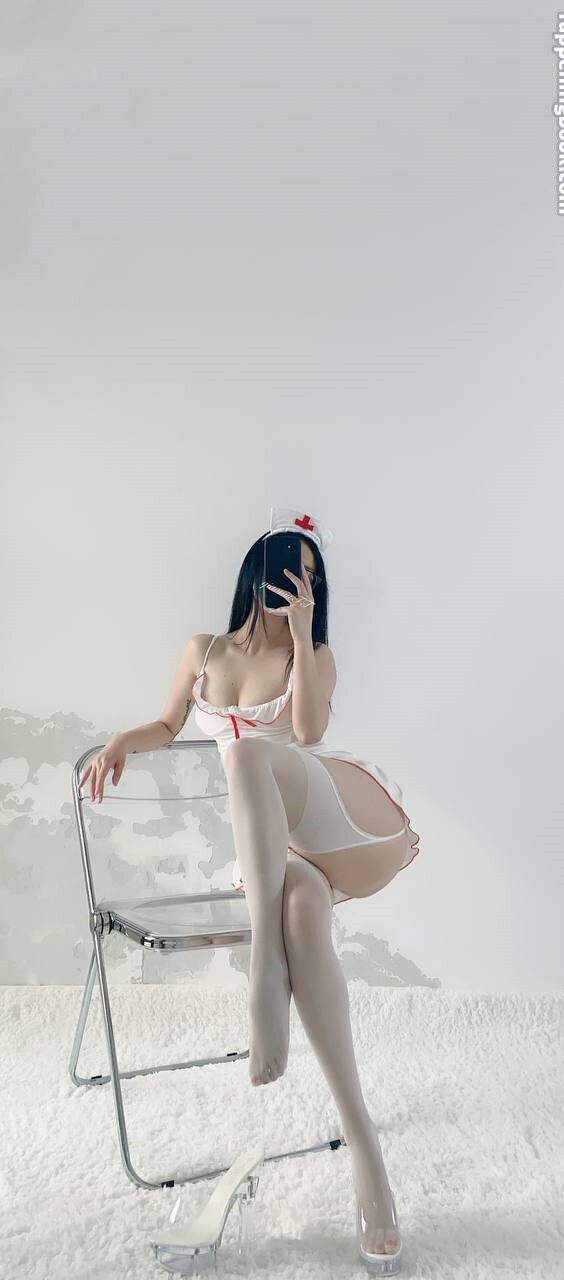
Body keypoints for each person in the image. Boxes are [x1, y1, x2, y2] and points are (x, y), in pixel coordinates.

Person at [82, 506, 420, 1266]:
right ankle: (368, 1158)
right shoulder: (202, 651)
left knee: (245, 755)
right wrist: (121, 740)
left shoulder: (315, 654)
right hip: (274, 852)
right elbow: (168, 724)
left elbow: (306, 735)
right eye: (287, 572)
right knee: (299, 905)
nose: (298, 585)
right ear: (256, 574)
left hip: (337, 815)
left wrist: (301, 637)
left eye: (311, 578)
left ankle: (264, 969)